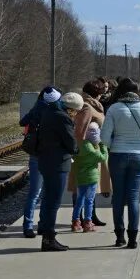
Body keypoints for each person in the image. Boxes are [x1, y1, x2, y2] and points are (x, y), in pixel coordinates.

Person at [102, 78, 140, 249]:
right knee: (133, 197)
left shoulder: (114, 108)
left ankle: (119, 236)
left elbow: (104, 138)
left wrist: (115, 146)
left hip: (117, 156)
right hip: (138, 157)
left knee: (118, 196)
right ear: (137, 92)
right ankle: (133, 238)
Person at [36, 92, 83, 251]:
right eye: (75, 112)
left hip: (45, 161)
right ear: (71, 109)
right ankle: (49, 239)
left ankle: (47, 235)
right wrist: (76, 150)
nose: (75, 114)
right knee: (54, 202)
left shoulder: (48, 111)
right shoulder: (63, 118)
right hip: (58, 163)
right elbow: (71, 143)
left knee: (48, 199)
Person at [19, 86, 61, 238]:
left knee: (34, 193)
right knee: (47, 192)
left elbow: (22, 122)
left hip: (35, 154)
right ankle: (42, 225)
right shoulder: (54, 111)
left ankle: (28, 226)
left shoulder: (36, 108)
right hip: (49, 155)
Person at [68, 81, 110, 226]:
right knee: (83, 186)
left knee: (91, 185)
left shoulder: (92, 105)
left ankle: (89, 216)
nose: (102, 95)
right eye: (100, 92)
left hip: (93, 147)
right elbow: (80, 131)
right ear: (95, 94)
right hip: (89, 150)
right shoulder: (86, 106)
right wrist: (87, 147)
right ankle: (82, 218)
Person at [71, 123, 109, 232]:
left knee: (79, 200)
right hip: (91, 178)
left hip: (80, 177)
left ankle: (75, 222)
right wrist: (103, 146)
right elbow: (103, 158)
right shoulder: (92, 150)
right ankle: (88, 223)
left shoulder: (78, 145)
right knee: (89, 200)